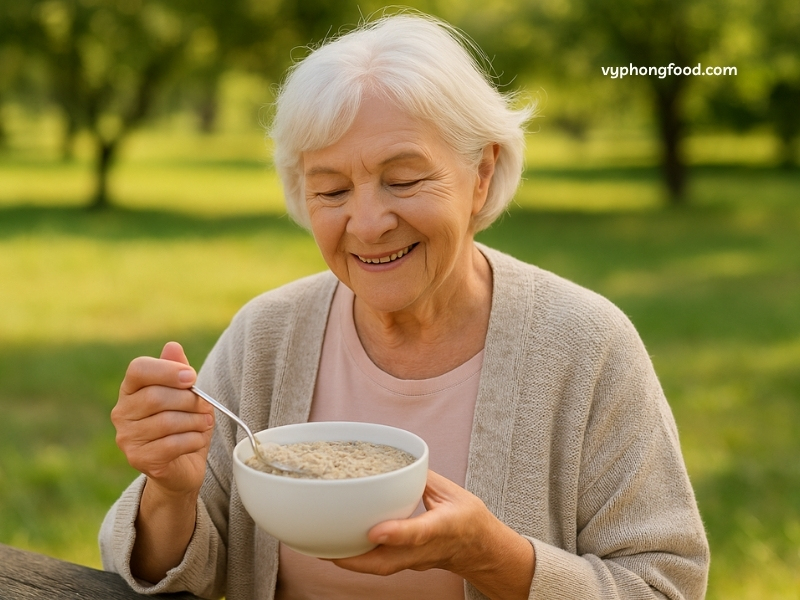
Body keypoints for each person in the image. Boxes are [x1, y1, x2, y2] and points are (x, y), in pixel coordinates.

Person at [99, 12, 710, 600]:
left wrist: (492, 556)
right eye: (332, 189)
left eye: (404, 180)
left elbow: (664, 583)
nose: (366, 224)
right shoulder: (268, 335)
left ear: (481, 172)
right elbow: (179, 573)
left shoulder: (586, 344)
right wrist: (170, 493)